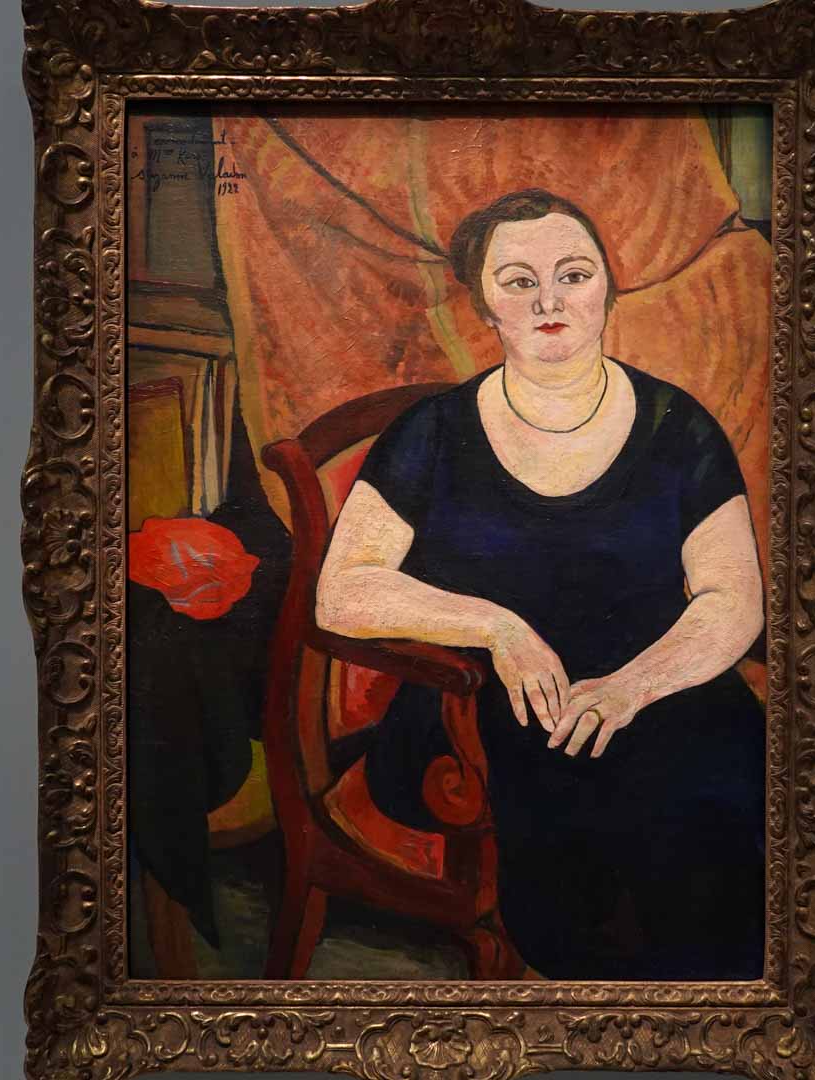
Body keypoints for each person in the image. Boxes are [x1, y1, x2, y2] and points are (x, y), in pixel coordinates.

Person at [315, 189, 767, 980]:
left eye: (573, 274)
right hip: (481, 703)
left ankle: (711, 1016)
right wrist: (497, 627)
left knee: (714, 793)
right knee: (590, 816)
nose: (549, 300)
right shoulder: (433, 433)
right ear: (484, 304)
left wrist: (631, 687)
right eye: (519, 281)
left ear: (607, 289)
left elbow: (733, 599)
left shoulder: (678, 426)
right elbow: (342, 591)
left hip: (656, 685)